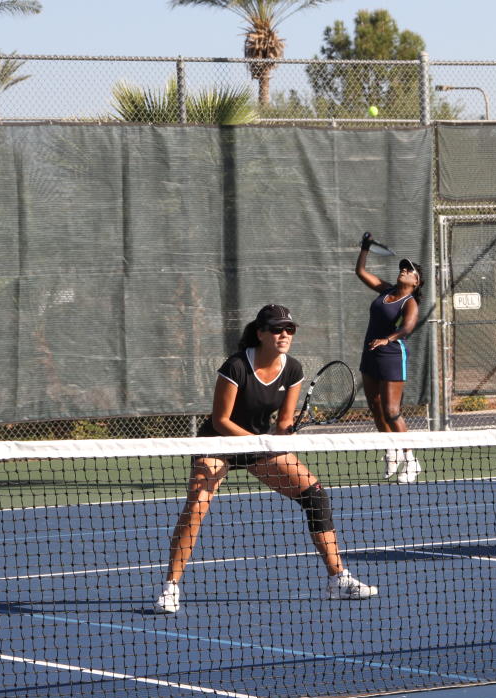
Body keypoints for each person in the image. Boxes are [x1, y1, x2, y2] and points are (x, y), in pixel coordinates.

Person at [153, 304, 377, 614]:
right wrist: (259, 442)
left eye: (289, 329)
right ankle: (170, 588)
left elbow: (284, 422)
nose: (284, 334)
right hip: (218, 443)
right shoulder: (236, 366)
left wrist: (284, 434)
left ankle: (338, 579)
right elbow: (220, 421)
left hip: (258, 443)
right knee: (196, 506)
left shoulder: (293, 369)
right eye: (276, 329)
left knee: (315, 495)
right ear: (260, 334)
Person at [356, 233, 423, 484]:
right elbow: (361, 272)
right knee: (375, 408)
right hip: (370, 353)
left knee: (392, 411)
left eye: (409, 270)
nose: (404, 270)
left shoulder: (410, 302)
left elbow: (407, 327)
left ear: (416, 281)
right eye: (403, 267)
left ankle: (411, 460)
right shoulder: (386, 290)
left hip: (392, 355)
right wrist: (365, 248)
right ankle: (391, 449)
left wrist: (387, 339)